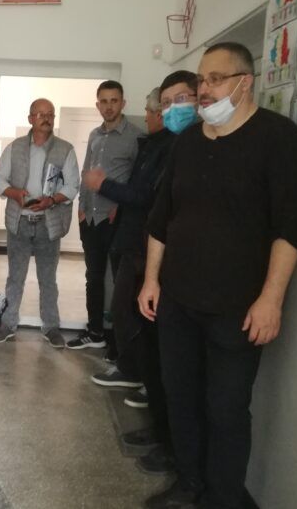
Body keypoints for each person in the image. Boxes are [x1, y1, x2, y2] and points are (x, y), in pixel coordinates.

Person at [138, 42, 297, 508]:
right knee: (181, 398)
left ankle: (222, 498)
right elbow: (161, 220)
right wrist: (152, 280)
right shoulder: (188, 143)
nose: (204, 89)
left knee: (226, 410)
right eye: (201, 79)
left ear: (244, 82)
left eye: (215, 79)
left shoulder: (279, 139)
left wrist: (271, 299)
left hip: (237, 309)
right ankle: (190, 483)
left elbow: (292, 229)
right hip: (178, 301)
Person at [85, 71, 199, 477]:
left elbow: (147, 196)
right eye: (161, 106)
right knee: (137, 324)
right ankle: (157, 421)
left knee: (138, 325)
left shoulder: (166, 145)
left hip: (151, 254)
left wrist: (107, 188)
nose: (161, 113)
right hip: (135, 243)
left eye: (171, 105)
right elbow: (147, 198)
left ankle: (143, 390)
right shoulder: (159, 144)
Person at [0, 98, 80, 348]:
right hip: (19, 222)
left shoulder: (65, 149)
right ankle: (8, 324)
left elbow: (73, 186)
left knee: (48, 279)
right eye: (40, 114)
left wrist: (52, 200)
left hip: (48, 224)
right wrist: (14, 193)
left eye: (50, 114)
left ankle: (51, 327)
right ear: (30, 118)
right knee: (15, 277)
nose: (46, 118)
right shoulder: (14, 148)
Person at [67, 80, 141, 350]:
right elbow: (87, 172)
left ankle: (122, 344)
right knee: (94, 277)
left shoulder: (136, 137)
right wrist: (81, 206)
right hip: (91, 219)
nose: (109, 107)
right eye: (104, 101)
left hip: (116, 219)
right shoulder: (95, 135)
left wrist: (121, 206)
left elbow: (139, 182)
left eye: (114, 101)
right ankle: (95, 332)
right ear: (98, 105)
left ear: (123, 103)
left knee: (123, 282)